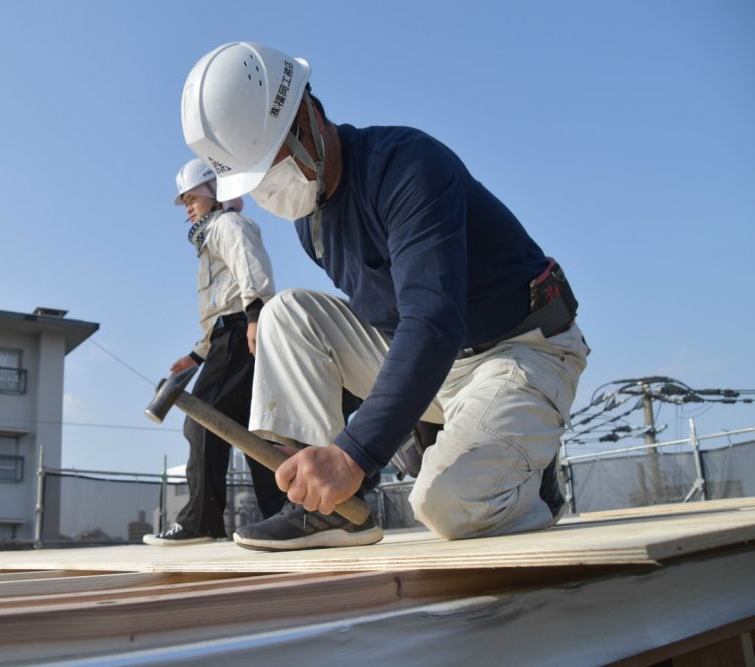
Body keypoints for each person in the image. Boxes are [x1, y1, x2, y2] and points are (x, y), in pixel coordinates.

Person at [180, 42, 590, 551]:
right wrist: (390, 426)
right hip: (446, 362)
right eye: (253, 181)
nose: (266, 189)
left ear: (307, 115)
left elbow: (433, 319)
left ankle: (533, 482)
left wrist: (355, 453)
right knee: (284, 314)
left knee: (444, 503)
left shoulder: (406, 168)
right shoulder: (313, 222)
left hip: (520, 348)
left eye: (268, 165)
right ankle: (327, 510)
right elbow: (387, 319)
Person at [143, 158, 286, 545]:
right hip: (235, 333)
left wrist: (256, 315)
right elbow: (219, 309)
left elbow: (250, 271)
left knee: (202, 421)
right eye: (184, 201)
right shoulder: (210, 238)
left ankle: (201, 521)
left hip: (242, 332)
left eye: (192, 197)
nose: (187, 206)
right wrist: (198, 356)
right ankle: (284, 514)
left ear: (214, 192)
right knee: (251, 430)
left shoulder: (228, 225)